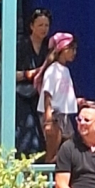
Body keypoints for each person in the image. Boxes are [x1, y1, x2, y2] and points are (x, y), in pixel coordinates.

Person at [16, 8, 52, 154]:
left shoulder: (49, 47)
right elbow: (9, 73)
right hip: (22, 95)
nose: (44, 29)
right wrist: (29, 74)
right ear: (32, 26)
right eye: (40, 25)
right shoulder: (21, 45)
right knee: (25, 136)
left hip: (41, 96)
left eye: (46, 25)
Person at [40, 32, 78, 164]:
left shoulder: (65, 70)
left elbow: (64, 95)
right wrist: (48, 119)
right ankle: (46, 175)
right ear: (63, 49)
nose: (74, 53)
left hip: (64, 115)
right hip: (54, 115)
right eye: (72, 49)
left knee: (68, 149)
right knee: (52, 152)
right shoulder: (53, 70)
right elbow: (47, 94)